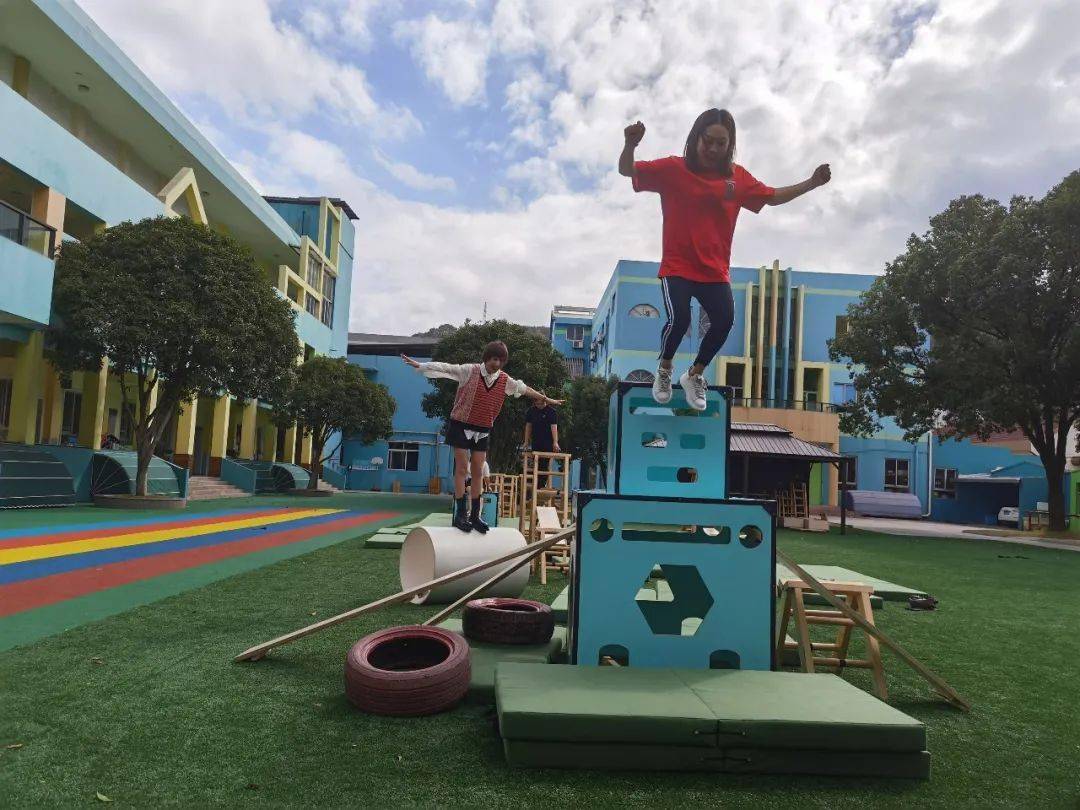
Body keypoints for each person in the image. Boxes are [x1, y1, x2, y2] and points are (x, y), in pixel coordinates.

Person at [619, 108, 831, 410]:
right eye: (709, 141)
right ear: (695, 139)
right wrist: (630, 145)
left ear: (729, 145)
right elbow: (628, 171)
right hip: (678, 265)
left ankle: (694, 374)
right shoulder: (673, 169)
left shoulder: (736, 179)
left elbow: (772, 197)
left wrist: (810, 183)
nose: (714, 149)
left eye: (722, 143)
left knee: (724, 321)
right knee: (680, 319)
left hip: (714, 271)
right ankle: (664, 370)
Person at [402, 341, 563, 534]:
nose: (497, 363)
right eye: (494, 359)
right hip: (461, 425)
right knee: (462, 469)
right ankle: (460, 514)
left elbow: (525, 389)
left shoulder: (505, 380)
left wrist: (548, 399)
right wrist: (421, 366)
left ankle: (475, 515)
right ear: (487, 358)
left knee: (478, 470)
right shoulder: (469, 371)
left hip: (483, 428)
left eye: (501, 360)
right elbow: (447, 369)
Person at [523, 395, 560, 472]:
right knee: (536, 462)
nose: (539, 406)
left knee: (545, 464)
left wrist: (555, 442)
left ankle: (543, 483)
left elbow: (554, 427)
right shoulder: (531, 411)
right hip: (536, 440)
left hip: (547, 442)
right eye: (537, 404)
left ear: (545, 402)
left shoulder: (551, 412)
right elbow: (528, 427)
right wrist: (526, 441)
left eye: (541, 404)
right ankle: (537, 483)